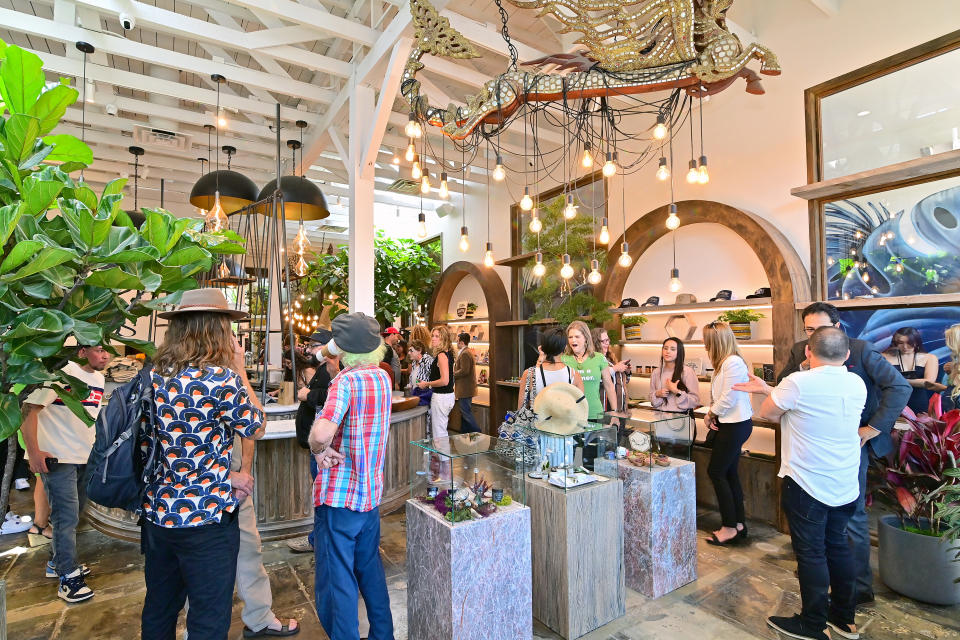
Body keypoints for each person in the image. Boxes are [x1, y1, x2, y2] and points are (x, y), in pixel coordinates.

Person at [140, 289, 265, 640]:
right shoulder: (219, 379)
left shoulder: (153, 376)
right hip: (206, 516)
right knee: (209, 616)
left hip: (158, 514)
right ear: (218, 330)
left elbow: (166, 446)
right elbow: (255, 425)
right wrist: (239, 369)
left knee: (160, 607)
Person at [777, 302, 910, 607]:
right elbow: (784, 385)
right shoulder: (802, 350)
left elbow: (899, 388)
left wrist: (873, 428)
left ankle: (858, 591)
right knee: (816, 518)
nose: (813, 336)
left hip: (852, 445)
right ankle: (819, 580)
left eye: (820, 329)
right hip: (810, 450)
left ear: (837, 326)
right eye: (809, 330)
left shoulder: (861, 350)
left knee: (852, 519)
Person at [737, 327, 866, 640]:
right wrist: (771, 388)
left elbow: (769, 414)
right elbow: (801, 402)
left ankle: (812, 624)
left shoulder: (798, 382)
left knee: (811, 554)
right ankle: (844, 618)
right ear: (847, 355)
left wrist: (769, 391)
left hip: (808, 484)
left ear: (808, 352)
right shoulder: (856, 382)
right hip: (845, 482)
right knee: (838, 546)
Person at [309, 312, 395, 640]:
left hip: (341, 496)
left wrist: (318, 448)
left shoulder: (345, 381)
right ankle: (382, 634)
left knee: (338, 580)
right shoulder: (382, 377)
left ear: (343, 349)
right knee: (370, 571)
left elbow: (321, 433)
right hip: (370, 494)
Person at [21, 343, 111, 601]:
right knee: (66, 517)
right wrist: (35, 453)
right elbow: (29, 410)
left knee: (76, 513)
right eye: (99, 350)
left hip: (84, 456)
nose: (105, 355)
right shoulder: (61, 374)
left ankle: (57, 562)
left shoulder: (98, 378)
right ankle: (68, 578)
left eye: (107, 350)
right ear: (82, 351)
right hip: (58, 457)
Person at [289, 329, 341, 554]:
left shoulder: (334, 371)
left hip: (322, 447)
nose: (310, 349)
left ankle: (318, 542)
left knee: (322, 498)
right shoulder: (322, 370)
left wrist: (306, 395)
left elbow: (332, 397)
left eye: (315, 345)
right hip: (317, 446)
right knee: (321, 496)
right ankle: (320, 540)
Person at [702, 321, 753, 546]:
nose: (705, 345)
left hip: (735, 424)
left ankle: (729, 527)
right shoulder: (724, 363)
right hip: (729, 423)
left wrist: (711, 413)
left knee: (716, 471)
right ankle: (738, 523)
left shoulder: (732, 362)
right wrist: (715, 415)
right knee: (729, 473)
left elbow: (730, 396)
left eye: (707, 341)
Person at [562, 321, 616, 422]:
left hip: (595, 414)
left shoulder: (599, 358)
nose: (573, 340)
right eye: (570, 337)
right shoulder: (563, 359)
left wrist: (615, 413)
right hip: (570, 416)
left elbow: (609, 386)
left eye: (577, 337)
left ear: (586, 338)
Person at [517, 327, 584, 408]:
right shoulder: (573, 374)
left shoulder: (529, 374)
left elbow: (521, 408)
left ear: (542, 347)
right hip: (563, 420)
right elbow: (581, 407)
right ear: (565, 348)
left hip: (538, 420)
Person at [883, 327, 939, 414]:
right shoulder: (884, 357)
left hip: (919, 403)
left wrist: (898, 381)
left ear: (916, 342)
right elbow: (882, 380)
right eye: (900, 343)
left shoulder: (930, 358)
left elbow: (929, 382)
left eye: (910, 343)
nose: (905, 347)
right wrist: (917, 382)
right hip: (892, 402)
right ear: (895, 343)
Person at [417, 326, 455, 439]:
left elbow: (445, 381)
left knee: (439, 434)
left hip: (441, 397)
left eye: (437, 336)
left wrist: (427, 384)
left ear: (444, 339)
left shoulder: (442, 355)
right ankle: (442, 456)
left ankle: (443, 457)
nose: (433, 338)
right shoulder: (448, 353)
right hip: (446, 396)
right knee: (441, 431)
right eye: (433, 335)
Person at [649, 337, 701, 413]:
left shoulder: (687, 372)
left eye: (672, 349)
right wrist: (657, 394)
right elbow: (652, 400)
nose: (668, 351)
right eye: (665, 348)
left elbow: (695, 401)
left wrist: (676, 391)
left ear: (679, 352)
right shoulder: (656, 372)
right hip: (660, 418)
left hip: (681, 419)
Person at [591, 327, 631, 412]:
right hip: (605, 409)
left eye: (607, 340)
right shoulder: (592, 360)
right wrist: (616, 368)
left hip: (620, 408)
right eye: (603, 341)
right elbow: (597, 377)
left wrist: (626, 372)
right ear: (595, 343)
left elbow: (620, 383)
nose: (607, 343)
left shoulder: (610, 359)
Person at [453, 332, 481, 433]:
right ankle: (464, 433)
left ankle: (477, 432)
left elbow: (465, 370)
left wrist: (453, 374)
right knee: (464, 412)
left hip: (465, 388)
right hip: (465, 388)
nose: (456, 342)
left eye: (457, 340)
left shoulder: (465, 353)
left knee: (466, 412)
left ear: (461, 342)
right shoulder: (466, 352)